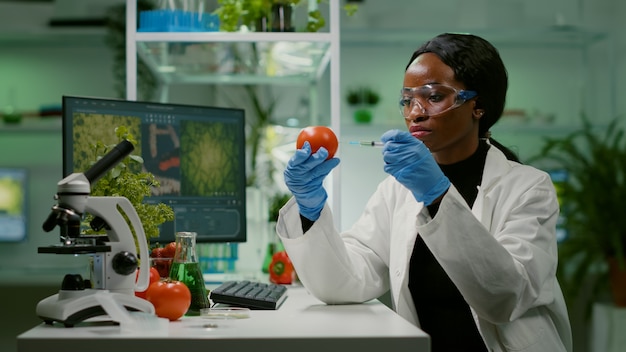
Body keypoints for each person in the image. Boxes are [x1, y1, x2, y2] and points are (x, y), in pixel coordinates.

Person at [277, 33, 572, 352]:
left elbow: (503, 299)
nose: (415, 112)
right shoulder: (396, 190)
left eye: (433, 97)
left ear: (479, 105)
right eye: (408, 99)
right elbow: (344, 283)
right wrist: (309, 208)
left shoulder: (530, 187)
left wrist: (436, 195)